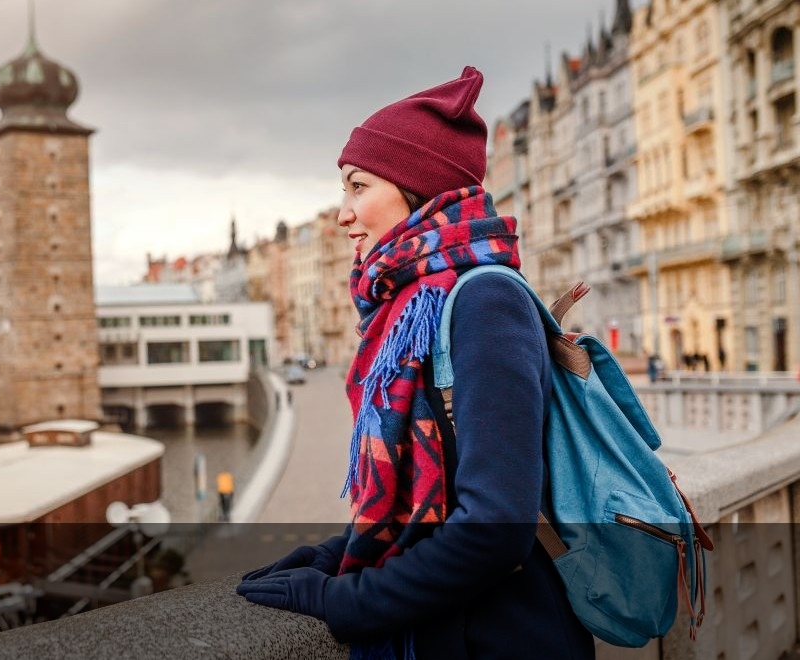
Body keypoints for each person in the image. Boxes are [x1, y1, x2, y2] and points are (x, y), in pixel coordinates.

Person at [236, 67, 594, 659]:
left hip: (503, 637)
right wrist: (330, 557)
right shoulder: (409, 304)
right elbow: (433, 504)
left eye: (358, 187)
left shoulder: (485, 299)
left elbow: (495, 530)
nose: (343, 213)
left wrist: (340, 601)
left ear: (415, 185)